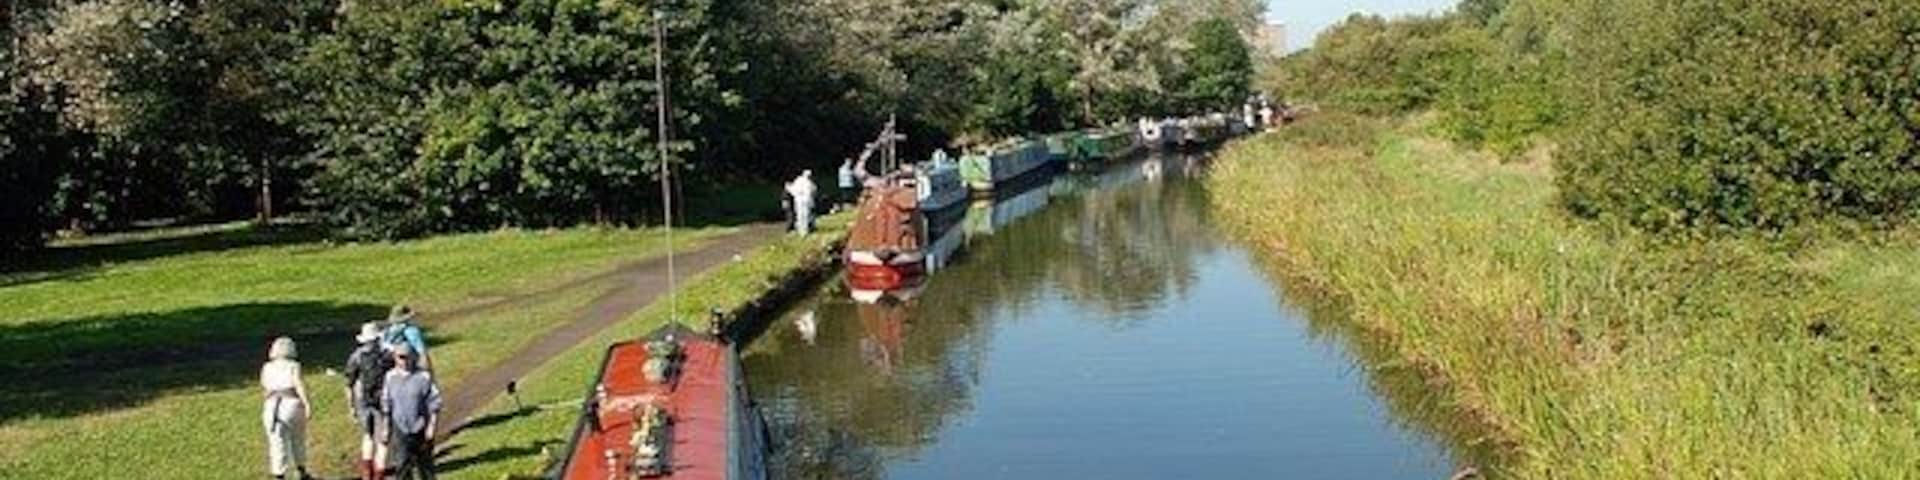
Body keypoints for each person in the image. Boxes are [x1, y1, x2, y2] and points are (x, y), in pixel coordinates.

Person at [383, 344, 442, 480]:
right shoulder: (390, 377)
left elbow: (435, 402)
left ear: (414, 357)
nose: (404, 361)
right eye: (400, 357)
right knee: (402, 466)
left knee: (425, 467)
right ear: (395, 358)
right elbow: (386, 403)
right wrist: (386, 429)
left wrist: (431, 427)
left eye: (407, 357)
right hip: (400, 428)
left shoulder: (423, 377)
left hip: (420, 427)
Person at [344, 322, 393, 480]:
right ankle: (379, 473)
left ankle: (367, 472)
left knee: (367, 436)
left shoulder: (356, 356)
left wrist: (351, 406)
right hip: (383, 401)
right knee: (383, 439)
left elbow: (348, 383)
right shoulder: (387, 355)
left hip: (363, 401)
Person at [261, 337, 313, 480]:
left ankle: (279, 474)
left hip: (272, 406)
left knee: (276, 442)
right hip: (291, 404)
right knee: (298, 439)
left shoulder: (267, 367)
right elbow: (298, 385)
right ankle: (301, 470)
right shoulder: (293, 366)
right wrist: (307, 403)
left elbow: (265, 388)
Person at [382, 305, 431, 372]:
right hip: (409, 366)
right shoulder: (411, 330)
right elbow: (422, 351)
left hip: (391, 367)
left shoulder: (388, 331)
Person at [785, 170, 817, 235]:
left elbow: (793, 191)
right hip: (804, 200)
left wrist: (788, 188)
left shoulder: (798, 180)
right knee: (804, 215)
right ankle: (804, 230)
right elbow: (811, 192)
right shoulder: (808, 182)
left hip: (798, 200)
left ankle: (801, 230)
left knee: (800, 215)